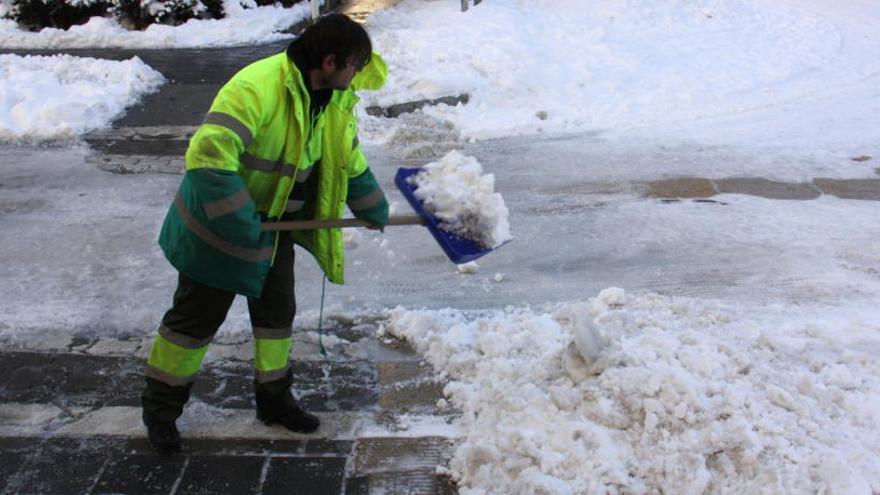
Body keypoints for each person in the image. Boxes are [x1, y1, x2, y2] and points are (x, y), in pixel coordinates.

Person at [140, 13, 389, 453]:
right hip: (218, 229)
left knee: (276, 321)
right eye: (354, 64)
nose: (358, 74)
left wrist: (372, 205)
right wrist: (241, 223)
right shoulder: (257, 86)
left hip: (275, 229)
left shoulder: (334, 100)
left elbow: (345, 159)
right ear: (329, 62)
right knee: (191, 328)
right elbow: (209, 157)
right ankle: (160, 414)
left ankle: (274, 402)